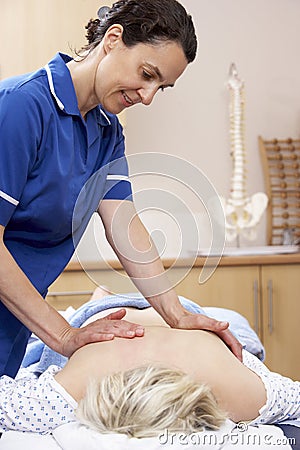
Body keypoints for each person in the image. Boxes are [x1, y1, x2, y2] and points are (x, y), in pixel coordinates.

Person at [0, 0, 242, 379]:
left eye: (160, 87)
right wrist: (64, 335)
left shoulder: (107, 132)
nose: (147, 96)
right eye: (147, 74)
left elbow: (125, 226)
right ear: (113, 39)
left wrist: (177, 314)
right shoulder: (22, 106)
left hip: (14, 320)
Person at [0, 302, 299, 443]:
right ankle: (101, 294)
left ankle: (100, 294)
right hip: (170, 315)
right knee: (236, 332)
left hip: (115, 315)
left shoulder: (68, 392)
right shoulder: (246, 395)